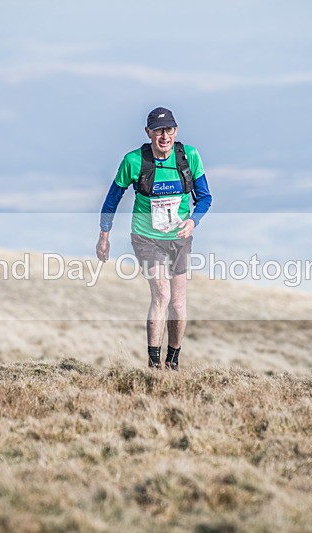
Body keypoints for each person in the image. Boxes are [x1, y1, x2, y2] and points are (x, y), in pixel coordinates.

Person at [96, 107, 212, 370]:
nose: (164, 136)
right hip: (146, 237)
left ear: (176, 131)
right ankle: (153, 363)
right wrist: (104, 235)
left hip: (179, 238)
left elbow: (205, 197)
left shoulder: (189, 157)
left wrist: (193, 221)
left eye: (169, 130)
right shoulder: (133, 161)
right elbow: (112, 199)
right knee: (162, 293)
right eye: (158, 131)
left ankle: (173, 360)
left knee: (178, 302)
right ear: (148, 132)